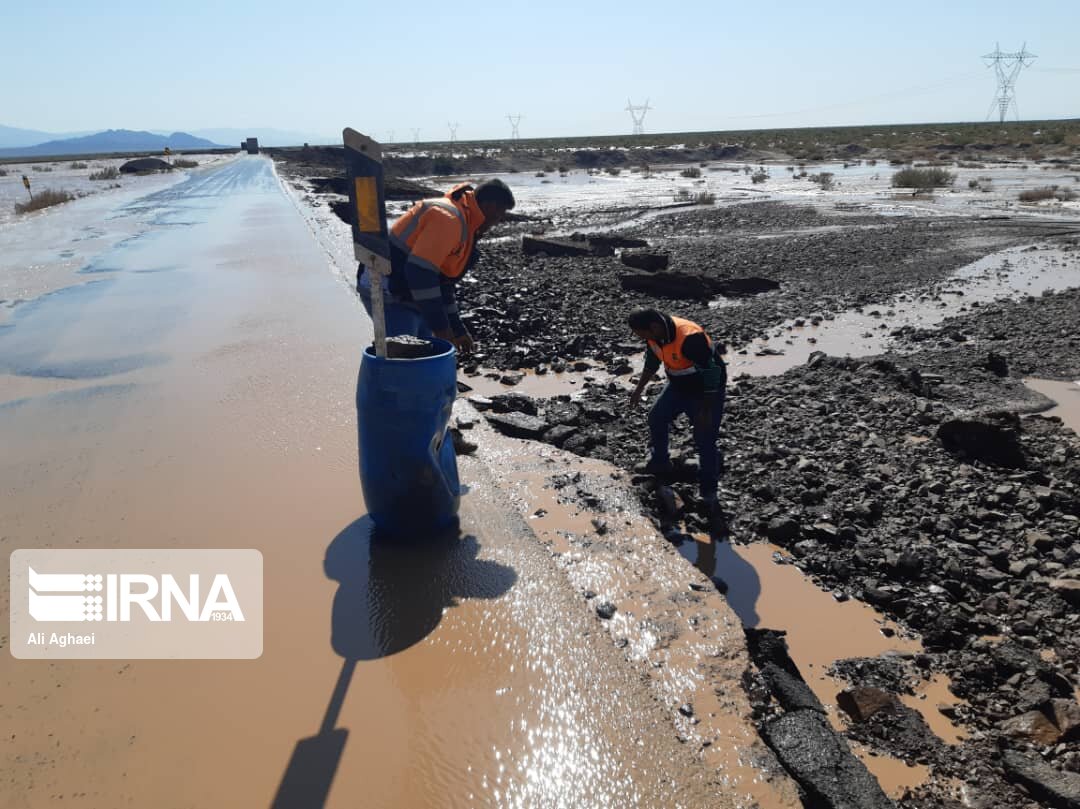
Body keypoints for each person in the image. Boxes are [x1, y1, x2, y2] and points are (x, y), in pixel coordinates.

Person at [357, 178, 515, 354]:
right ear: (490, 206)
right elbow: (420, 273)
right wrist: (442, 330)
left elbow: (443, 283)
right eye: (500, 214)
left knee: (426, 349)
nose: (498, 221)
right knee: (403, 357)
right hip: (387, 289)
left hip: (408, 290)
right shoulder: (448, 219)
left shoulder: (466, 224)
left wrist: (457, 329)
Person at [627, 308, 728, 523]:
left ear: (653, 327)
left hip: (706, 391)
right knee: (656, 417)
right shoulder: (655, 336)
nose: (642, 339)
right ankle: (660, 463)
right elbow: (652, 362)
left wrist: (706, 409)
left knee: (705, 440)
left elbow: (713, 373)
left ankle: (709, 494)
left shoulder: (690, 337)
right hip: (679, 386)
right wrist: (638, 390)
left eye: (642, 334)